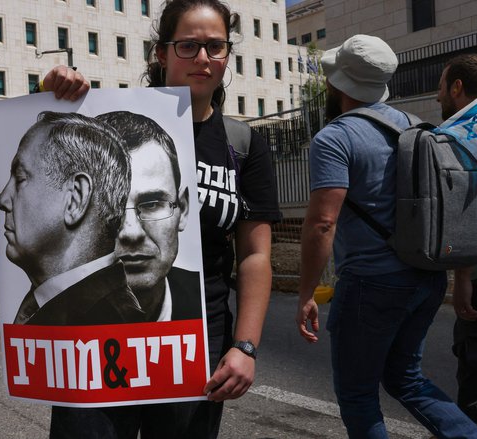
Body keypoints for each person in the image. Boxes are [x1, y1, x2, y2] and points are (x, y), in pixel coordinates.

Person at [40, 0, 280, 437]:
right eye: (188, 45)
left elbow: (254, 255)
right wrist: (55, 90)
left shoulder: (243, 145)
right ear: (161, 53)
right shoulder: (100, 119)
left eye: (215, 46)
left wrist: (246, 346)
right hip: (93, 342)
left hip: (194, 344)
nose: (203, 58)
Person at [295, 35, 477, 438]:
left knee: (358, 394)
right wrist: (464, 274)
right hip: (427, 277)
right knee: (406, 378)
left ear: (336, 84)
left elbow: (321, 224)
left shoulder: (335, 138)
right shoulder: (424, 130)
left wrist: (307, 292)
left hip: (371, 283)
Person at [0, 111, 145, 326]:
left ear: (76, 198)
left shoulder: (115, 324)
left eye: (20, 178)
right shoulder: (62, 305)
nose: (3, 199)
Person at [97, 111, 201, 321]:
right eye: (108, 207)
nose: (131, 232)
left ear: (182, 209)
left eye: (152, 204)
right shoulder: (48, 320)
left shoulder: (206, 304)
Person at [441, 53, 477, 434]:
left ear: (457, 87)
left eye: (442, 85)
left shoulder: (466, 133)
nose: (437, 94)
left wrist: (464, 276)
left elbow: (471, 204)